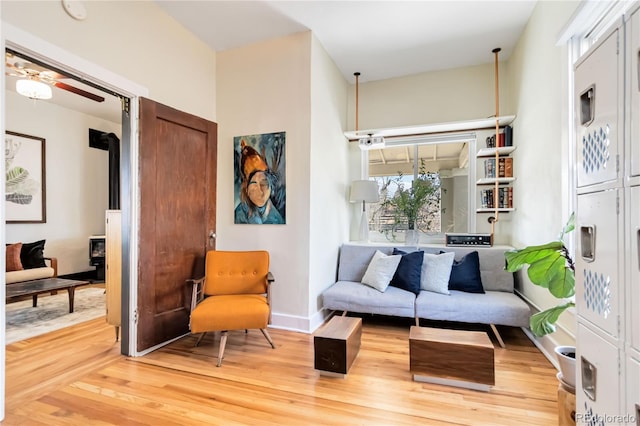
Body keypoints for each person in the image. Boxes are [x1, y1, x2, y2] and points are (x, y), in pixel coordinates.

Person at [234, 140, 284, 224]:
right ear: (246, 188)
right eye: (253, 185)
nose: (259, 191)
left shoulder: (276, 218)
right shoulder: (240, 213)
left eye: (264, 184)